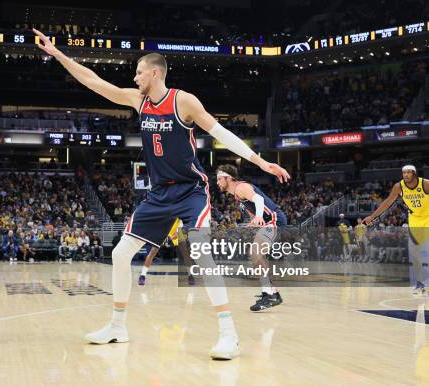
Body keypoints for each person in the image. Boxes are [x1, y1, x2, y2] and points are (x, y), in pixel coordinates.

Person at [34, 29, 290, 359]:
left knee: (201, 253)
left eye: (138, 72)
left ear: (154, 73)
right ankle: (117, 327)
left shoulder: (183, 101)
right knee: (119, 254)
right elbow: (94, 82)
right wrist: (58, 54)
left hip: (190, 191)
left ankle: (229, 334)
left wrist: (260, 161)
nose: (134, 77)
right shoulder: (138, 101)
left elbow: (221, 133)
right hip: (158, 194)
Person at [216, 164, 287, 311]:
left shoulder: (241, 188)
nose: (217, 182)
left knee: (255, 253)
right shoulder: (237, 194)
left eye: (219, 179)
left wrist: (259, 216)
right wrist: (256, 220)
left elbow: (259, 200)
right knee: (256, 255)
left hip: (274, 219)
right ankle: (271, 293)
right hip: (268, 221)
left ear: (228, 178)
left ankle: (270, 294)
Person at [363, 165, 429, 294]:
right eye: (404, 173)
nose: (406, 175)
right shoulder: (399, 186)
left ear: (414, 174)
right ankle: (420, 283)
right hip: (415, 218)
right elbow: (388, 202)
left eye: (408, 173)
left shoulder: (425, 184)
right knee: (415, 252)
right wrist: (372, 216)